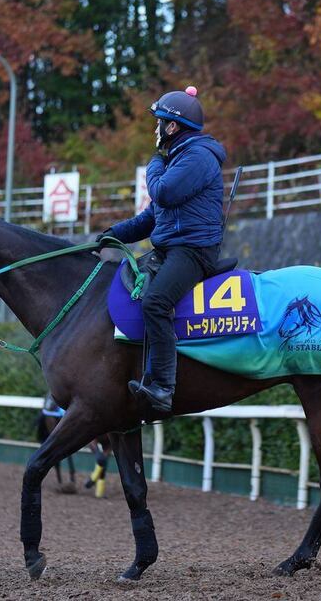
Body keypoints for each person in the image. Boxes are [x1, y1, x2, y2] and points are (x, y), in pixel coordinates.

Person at [97, 86, 226, 413]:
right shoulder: (180, 158)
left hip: (193, 251)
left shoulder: (196, 157)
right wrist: (113, 235)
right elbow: (152, 217)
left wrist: (155, 164)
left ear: (171, 127)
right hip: (172, 249)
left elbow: (163, 193)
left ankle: (162, 387)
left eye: (159, 123)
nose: (155, 130)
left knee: (155, 303)